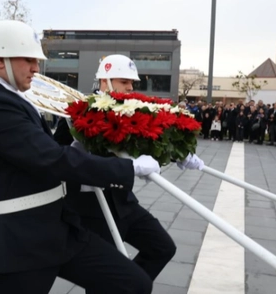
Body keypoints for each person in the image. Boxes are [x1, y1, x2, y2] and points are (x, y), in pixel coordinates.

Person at [0, 20, 160, 294]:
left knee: (134, 284)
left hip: (57, 231)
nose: (36, 67)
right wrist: (128, 168)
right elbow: (53, 159)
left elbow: (46, 153)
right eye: (29, 59)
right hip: (18, 242)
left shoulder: (13, 100)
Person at [54, 54, 206, 283]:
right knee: (104, 279)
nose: (130, 88)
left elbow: (145, 142)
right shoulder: (77, 114)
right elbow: (59, 156)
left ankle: (130, 288)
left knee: (162, 248)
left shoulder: (130, 110)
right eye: (124, 82)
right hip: (92, 208)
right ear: (105, 81)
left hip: (123, 202)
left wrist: (176, 154)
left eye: (132, 83)